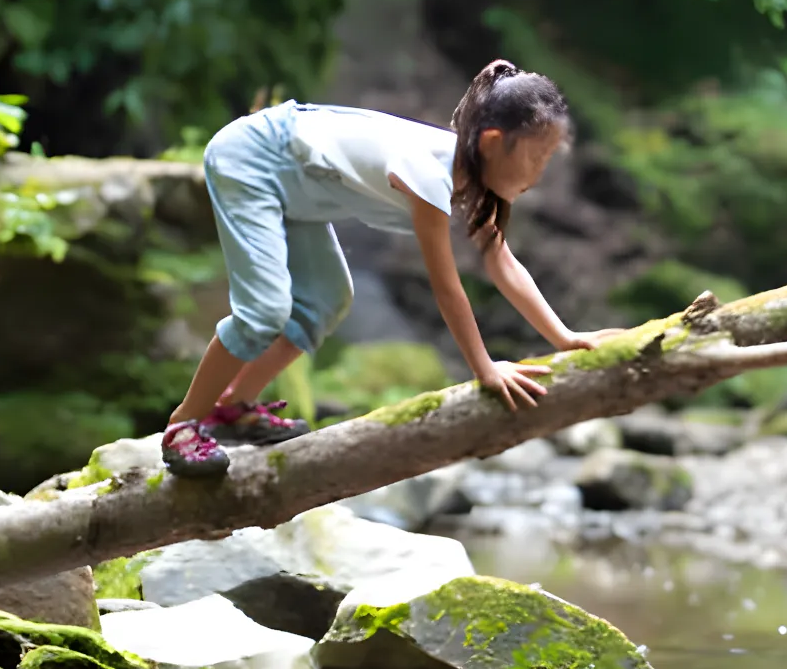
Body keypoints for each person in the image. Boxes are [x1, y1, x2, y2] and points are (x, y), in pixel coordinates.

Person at [162, 59, 618, 477]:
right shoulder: (429, 175)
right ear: (494, 142)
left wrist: (564, 338)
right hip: (255, 158)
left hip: (295, 187)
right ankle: (183, 425)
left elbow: (503, 263)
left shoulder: (471, 179)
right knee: (264, 312)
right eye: (536, 157)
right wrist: (485, 369)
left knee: (325, 300)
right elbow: (447, 288)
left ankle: (236, 406)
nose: (539, 173)